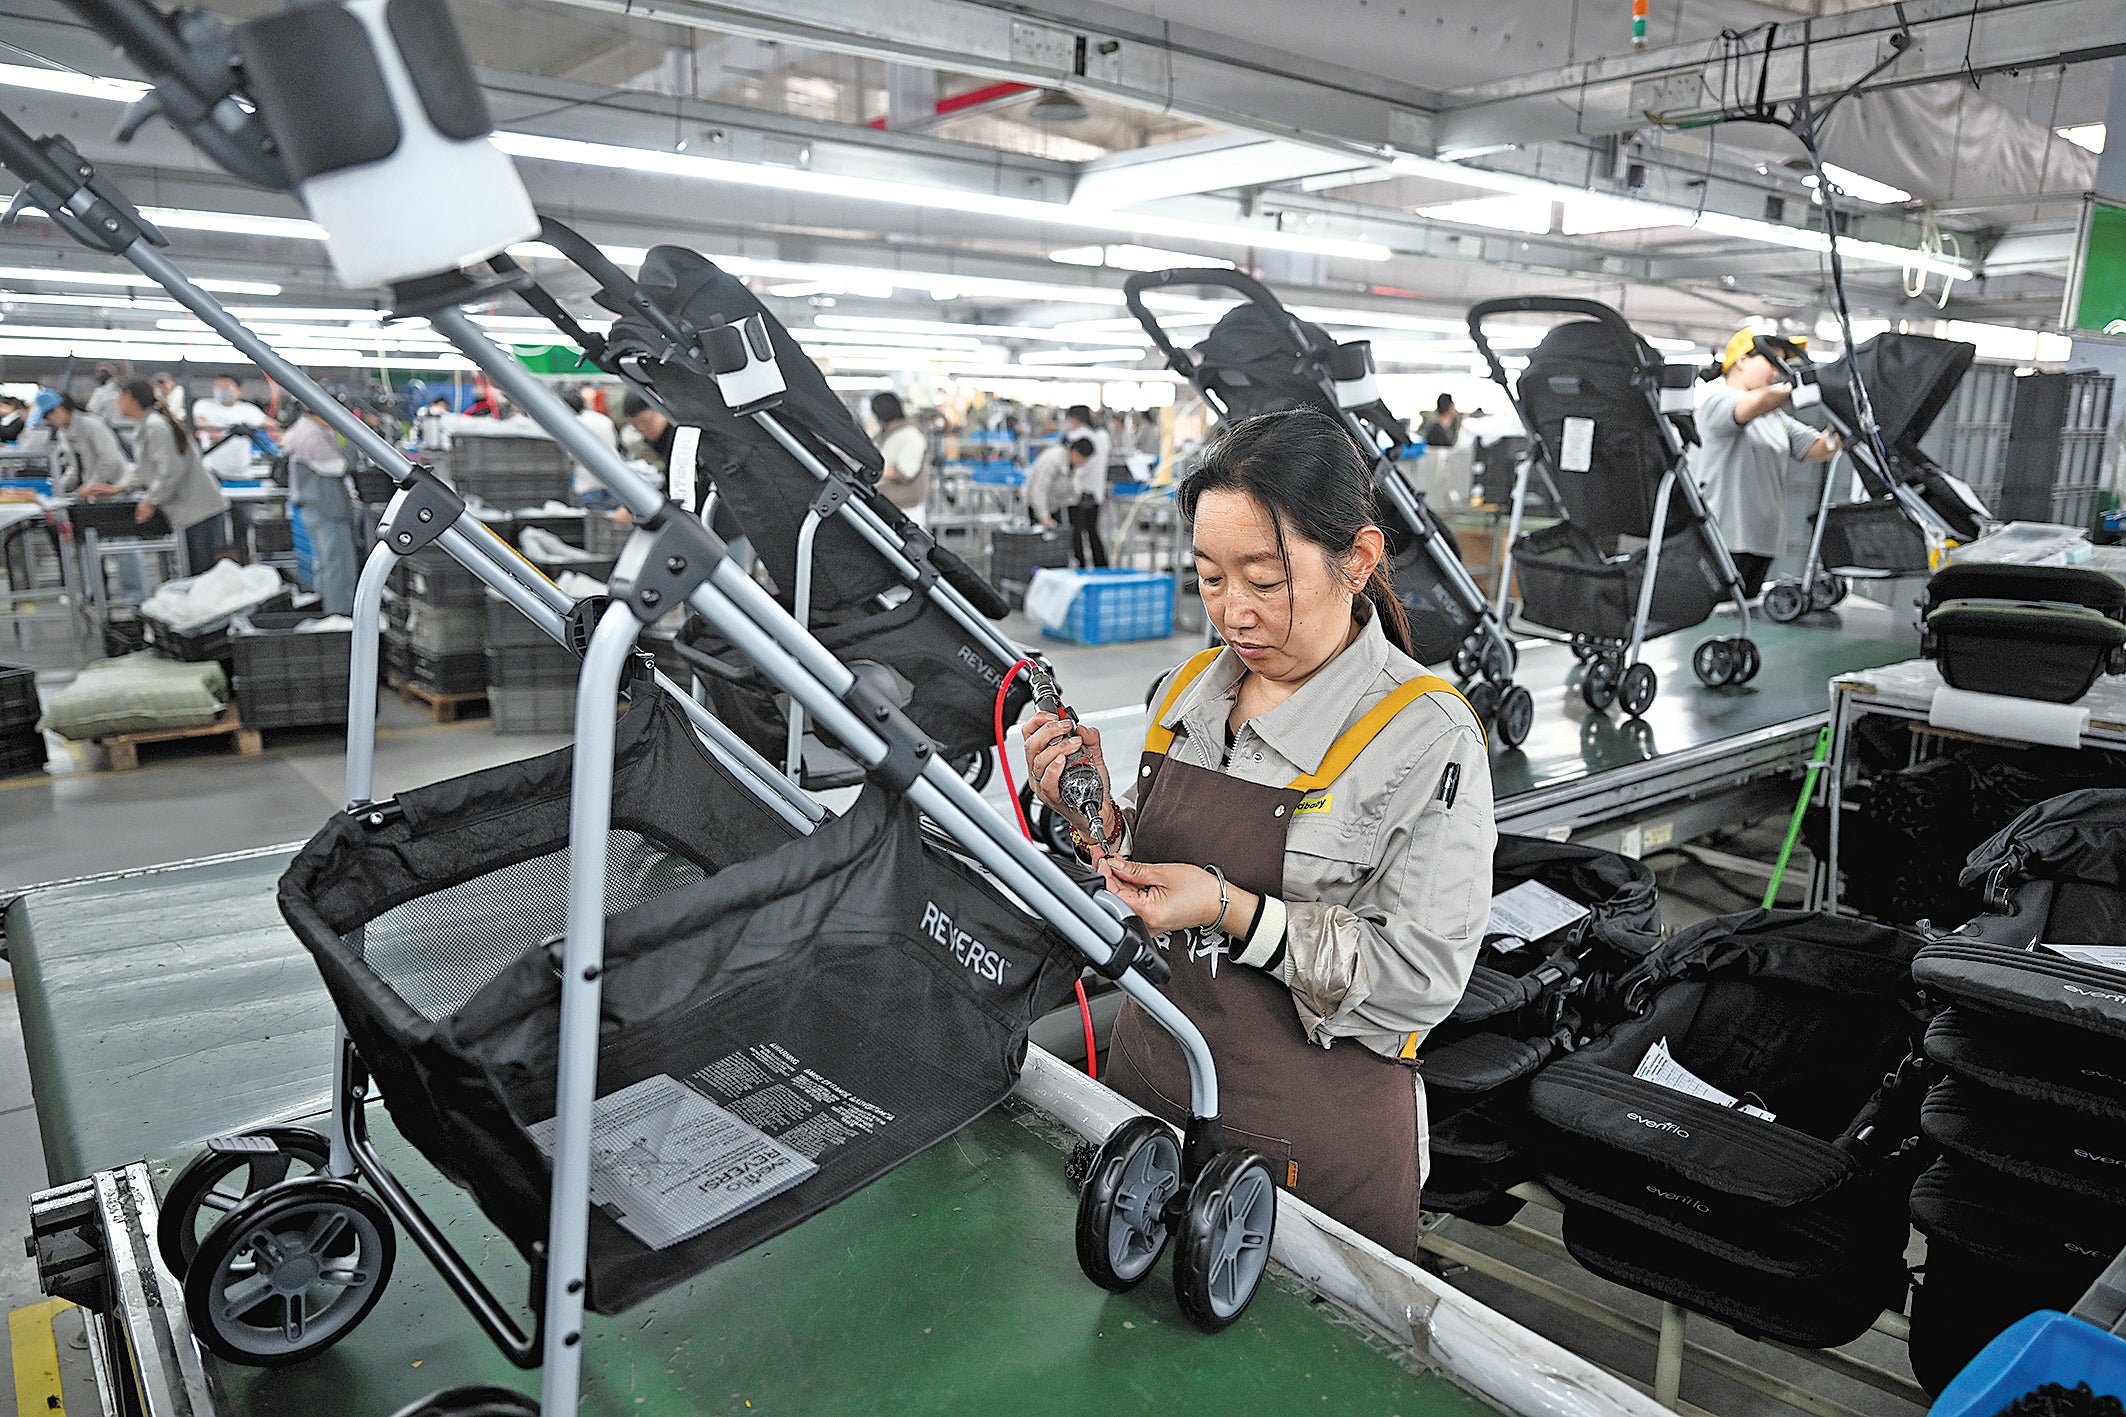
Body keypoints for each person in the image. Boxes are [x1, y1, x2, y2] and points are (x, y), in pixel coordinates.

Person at [1021, 406, 1496, 1258]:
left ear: (1358, 559)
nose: (1233, 612)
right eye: (1208, 578)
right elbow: (1150, 863)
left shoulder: (1425, 734)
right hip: (1146, 1102)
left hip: (1305, 1158)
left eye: (1265, 580)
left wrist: (1234, 911)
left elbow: (1421, 978)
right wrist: (1087, 811)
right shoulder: (1189, 689)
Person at [1693, 330, 1842, 599]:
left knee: (1743, 613)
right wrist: (1800, 386)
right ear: (1742, 360)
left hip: (1762, 541)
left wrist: (1847, 422)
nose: (1777, 372)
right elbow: (1752, 405)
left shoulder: (1775, 418)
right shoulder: (1718, 400)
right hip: (1722, 538)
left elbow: (1819, 447)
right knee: (1714, 613)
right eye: (1772, 362)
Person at [114, 380, 232, 575]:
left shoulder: (154, 426)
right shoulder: (147, 426)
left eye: (120, 396)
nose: (117, 402)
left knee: (205, 578)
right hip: (192, 513)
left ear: (130, 397)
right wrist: (119, 488)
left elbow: (171, 470)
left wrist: (150, 501)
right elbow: (145, 469)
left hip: (200, 511)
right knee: (199, 575)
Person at [279, 400, 360, 613]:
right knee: (338, 568)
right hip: (327, 510)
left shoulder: (302, 429)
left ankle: (328, 610)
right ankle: (340, 616)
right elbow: (338, 466)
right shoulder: (312, 435)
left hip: (315, 508)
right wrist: (354, 441)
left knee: (325, 564)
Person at [34, 390, 132, 495]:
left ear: (62, 407)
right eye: (45, 416)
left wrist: (90, 486)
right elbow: (74, 467)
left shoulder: (92, 425)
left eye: (51, 413)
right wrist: (57, 488)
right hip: (91, 493)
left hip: (114, 489)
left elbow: (110, 460)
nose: (50, 419)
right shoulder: (62, 433)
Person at [192, 375, 272, 480]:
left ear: (238, 391)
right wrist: (216, 428)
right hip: (211, 472)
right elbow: (199, 421)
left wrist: (249, 427)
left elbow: (270, 424)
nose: (222, 391)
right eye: (219, 388)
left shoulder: (248, 410)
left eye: (226, 387)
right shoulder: (204, 405)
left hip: (241, 470)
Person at [870, 392, 931, 528]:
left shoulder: (910, 435)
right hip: (889, 504)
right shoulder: (886, 435)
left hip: (906, 507)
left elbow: (906, 472)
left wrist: (873, 471)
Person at [563, 386, 622, 508]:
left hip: (587, 483)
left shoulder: (571, 425)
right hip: (614, 479)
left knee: (593, 522)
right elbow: (615, 444)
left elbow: (570, 455)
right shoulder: (603, 419)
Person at [1065, 436, 1108, 569]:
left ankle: (1084, 566)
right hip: (1089, 496)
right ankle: (1096, 566)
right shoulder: (1101, 437)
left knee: (1078, 535)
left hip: (1081, 498)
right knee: (1087, 533)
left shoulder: (1077, 436)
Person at [1023, 435, 1075, 528]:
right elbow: (1039, 489)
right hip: (1037, 506)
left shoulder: (1068, 460)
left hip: (1053, 505)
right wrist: (1044, 517)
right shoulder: (1052, 460)